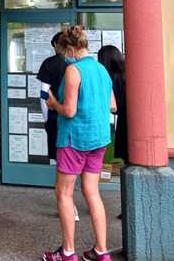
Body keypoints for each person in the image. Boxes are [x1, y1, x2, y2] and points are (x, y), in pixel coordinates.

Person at [44, 26, 116, 261]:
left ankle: (67, 252)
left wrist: (54, 104)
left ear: (71, 48)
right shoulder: (102, 70)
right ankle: (101, 251)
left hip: (74, 139)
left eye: (65, 51)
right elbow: (112, 105)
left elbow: (70, 111)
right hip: (99, 138)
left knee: (64, 193)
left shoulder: (73, 71)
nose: (64, 56)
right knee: (92, 192)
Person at [37, 32, 67, 163]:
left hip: (55, 116)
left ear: (55, 44)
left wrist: (45, 118)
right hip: (75, 116)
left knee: (58, 157)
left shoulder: (49, 63)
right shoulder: (79, 63)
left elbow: (44, 94)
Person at [97, 45, 127, 166]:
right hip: (132, 122)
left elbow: (114, 108)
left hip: (123, 122)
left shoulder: (107, 79)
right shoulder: (128, 74)